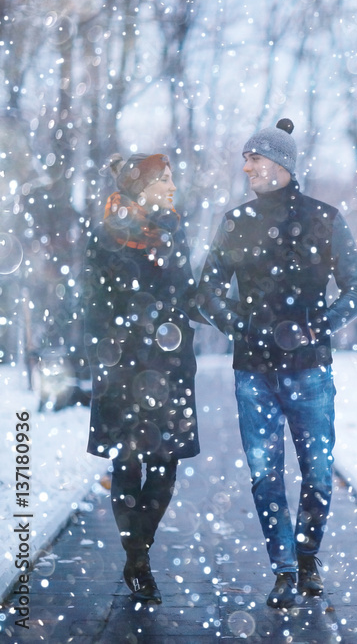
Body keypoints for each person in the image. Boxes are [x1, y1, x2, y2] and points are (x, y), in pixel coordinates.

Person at [197, 119, 357, 609]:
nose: (247, 166)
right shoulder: (235, 222)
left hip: (311, 371)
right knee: (265, 474)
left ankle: (308, 555)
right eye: (246, 159)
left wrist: (318, 326)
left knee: (317, 472)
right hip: (253, 373)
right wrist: (242, 326)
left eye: (255, 157)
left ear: (281, 163)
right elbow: (207, 293)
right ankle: (284, 570)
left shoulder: (325, 219)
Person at [82, 152, 202, 604]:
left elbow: (187, 293)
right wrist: (104, 358)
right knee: (127, 467)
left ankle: (140, 548)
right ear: (141, 187)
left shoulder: (175, 229)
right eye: (165, 179)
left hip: (170, 368)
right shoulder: (106, 236)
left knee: (165, 468)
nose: (172, 187)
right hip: (123, 369)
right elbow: (92, 306)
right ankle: (137, 557)